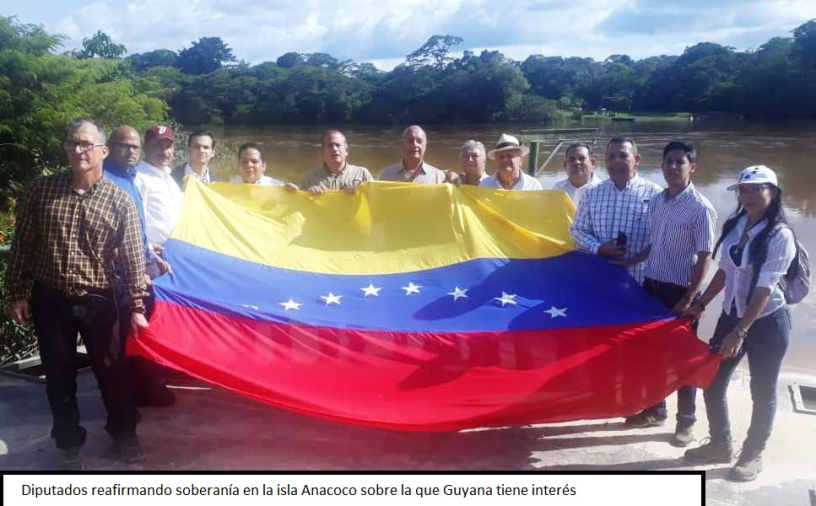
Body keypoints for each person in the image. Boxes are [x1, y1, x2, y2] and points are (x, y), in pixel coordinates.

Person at [5, 118, 149, 466]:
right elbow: (23, 245)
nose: (78, 150)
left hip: (100, 299)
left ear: (103, 151)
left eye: (86, 143)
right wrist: (17, 292)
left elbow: (133, 258)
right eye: (72, 143)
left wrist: (136, 306)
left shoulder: (120, 200)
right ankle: (68, 442)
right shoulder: (41, 191)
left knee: (112, 371)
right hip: (51, 298)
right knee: (58, 375)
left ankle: (124, 434)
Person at [683, 165, 796, 482]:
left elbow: (765, 288)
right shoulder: (736, 225)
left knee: (763, 391)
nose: (749, 196)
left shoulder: (780, 235)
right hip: (731, 315)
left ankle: (752, 454)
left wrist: (740, 330)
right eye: (744, 190)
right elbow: (724, 271)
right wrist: (701, 303)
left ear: (773, 193)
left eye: (757, 189)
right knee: (713, 381)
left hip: (767, 322)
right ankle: (721, 444)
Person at [618, 141, 717, 445]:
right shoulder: (658, 201)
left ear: (692, 167)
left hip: (680, 291)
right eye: (668, 162)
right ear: (661, 166)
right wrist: (630, 262)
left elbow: (705, 257)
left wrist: (689, 298)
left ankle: (686, 421)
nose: (673, 167)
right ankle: (655, 409)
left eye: (680, 162)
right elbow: (656, 243)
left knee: (682, 357)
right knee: (652, 354)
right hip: (652, 286)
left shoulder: (701, 208)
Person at [104, 126, 175, 407]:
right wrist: (136, 269)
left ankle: (148, 382)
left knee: (146, 322)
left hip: (145, 259)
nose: (130, 151)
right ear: (110, 147)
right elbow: (110, 234)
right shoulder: (107, 179)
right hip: (125, 269)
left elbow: (137, 227)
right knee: (130, 328)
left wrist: (150, 255)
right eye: (125, 146)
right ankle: (139, 389)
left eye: (134, 147)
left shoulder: (131, 177)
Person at [571, 137, 663, 284]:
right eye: (611, 157)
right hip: (599, 276)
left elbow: (662, 238)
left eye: (623, 156)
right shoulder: (591, 193)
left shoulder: (656, 194)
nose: (616, 161)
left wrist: (632, 261)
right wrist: (598, 248)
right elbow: (578, 230)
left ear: (637, 160)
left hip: (640, 281)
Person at [134, 125, 183, 255]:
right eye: (158, 146)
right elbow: (133, 222)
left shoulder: (170, 178)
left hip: (175, 252)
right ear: (145, 147)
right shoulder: (138, 178)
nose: (164, 152)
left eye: (168, 146)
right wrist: (148, 247)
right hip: (153, 254)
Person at [294, 130, 373, 194]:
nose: (334, 149)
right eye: (330, 145)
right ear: (322, 151)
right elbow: (300, 205)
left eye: (338, 145)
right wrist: (308, 195)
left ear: (346, 151)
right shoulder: (310, 177)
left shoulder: (362, 174)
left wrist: (361, 191)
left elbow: (375, 199)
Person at [379, 125, 446, 183]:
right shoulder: (386, 175)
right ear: (402, 145)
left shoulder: (438, 177)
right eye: (410, 140)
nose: (414, 144)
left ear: (425, 146)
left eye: (419, 141)